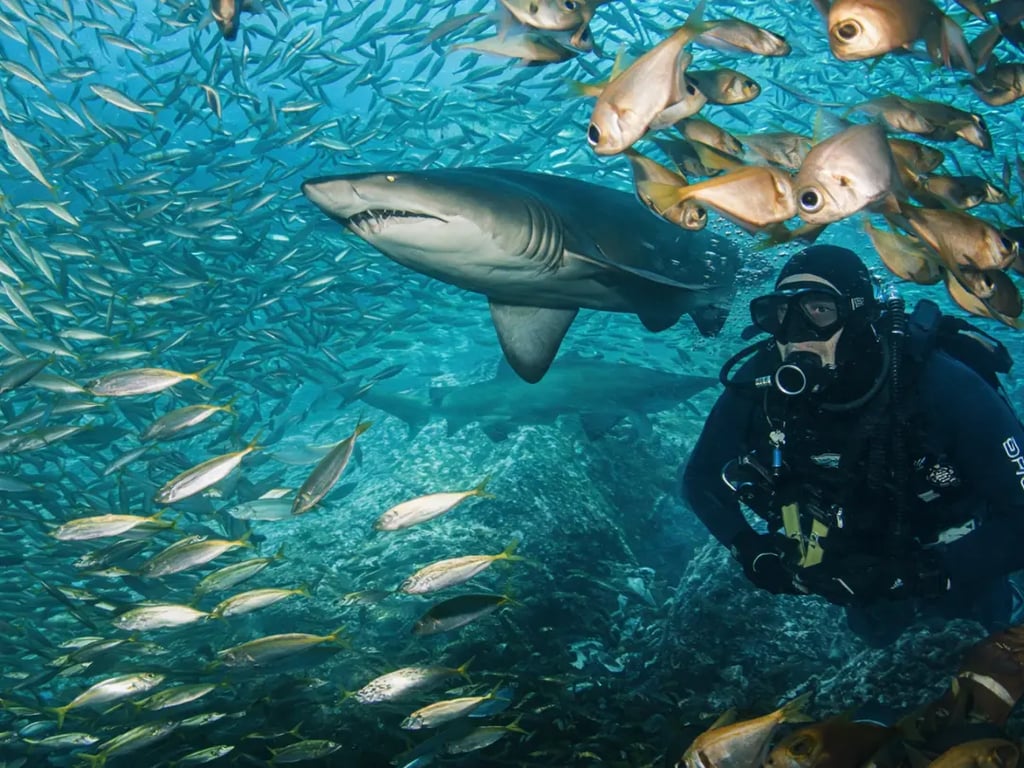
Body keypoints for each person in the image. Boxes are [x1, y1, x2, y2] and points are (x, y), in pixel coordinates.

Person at [683, 244, 1024, 646]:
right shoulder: (762, 384)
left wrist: (921, 573)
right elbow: (700, 479)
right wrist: (751, 551)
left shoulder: (938, 384)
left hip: (954, 560)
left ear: (859, 316)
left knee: (981, 656)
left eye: (819, 311)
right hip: (851, 569)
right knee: (879, 651)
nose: (796, 335)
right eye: (780, 315)